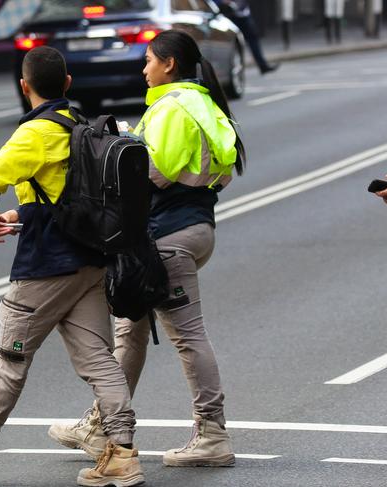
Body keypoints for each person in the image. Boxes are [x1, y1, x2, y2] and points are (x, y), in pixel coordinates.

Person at [0, 46, 145, 487]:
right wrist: (22, 214)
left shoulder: (36, 132)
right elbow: (66, 195)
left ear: (24, 86)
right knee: (100, 359)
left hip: (45, 267)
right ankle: (123, 453)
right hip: (91, 261)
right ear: (69, 84)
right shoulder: (81, 127)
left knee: (10, 358)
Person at [49, 30, 245, 468]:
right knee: (130, 330)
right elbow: (221, 172)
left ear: (169, 64)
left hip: (167, 236)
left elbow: (150, 173)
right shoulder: (204, 104)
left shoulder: (172, 107)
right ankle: (102, 425)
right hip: (194, 228)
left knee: (187, 336)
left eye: (148, 60)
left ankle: (212, 433)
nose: (143, 68)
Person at [213, 0, 279, 74]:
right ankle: (227, 70)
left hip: (242, 13)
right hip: (228, 13)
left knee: (253, 39)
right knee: (229, 43)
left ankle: (262, 65)